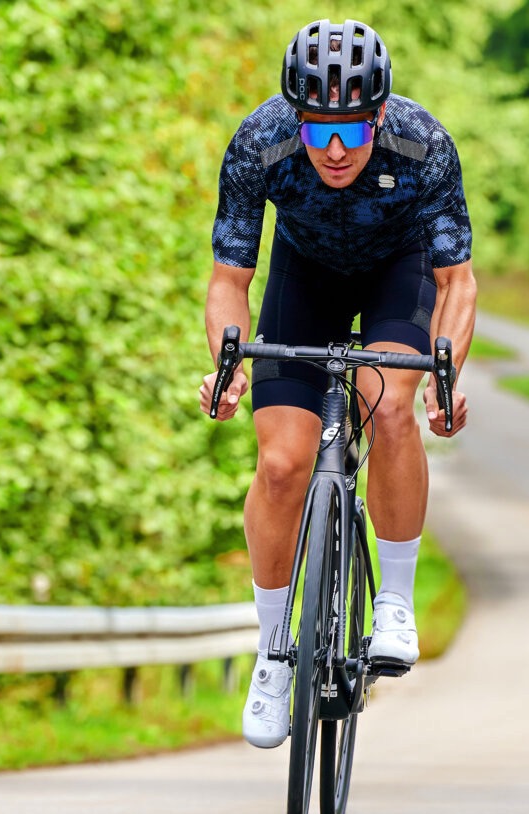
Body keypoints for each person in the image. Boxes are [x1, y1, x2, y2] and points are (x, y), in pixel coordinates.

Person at [199, 18, 477, 749]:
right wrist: (228, 366)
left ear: (378, 117)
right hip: (305, 275)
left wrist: (445, 375)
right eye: (318, 129)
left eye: (351, 131)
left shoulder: (423, 143)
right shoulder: (261, 141)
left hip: (399, 272)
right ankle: (272, 653)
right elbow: (229, 281)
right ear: (296, 118)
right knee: (280, 463)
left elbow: (457, 283)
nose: (333, 149)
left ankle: (394, 601)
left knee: (389, 406)